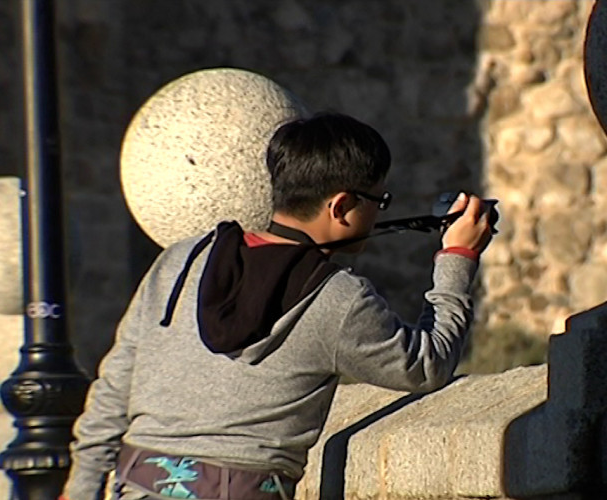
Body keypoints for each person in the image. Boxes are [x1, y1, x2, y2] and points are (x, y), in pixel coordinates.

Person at [62, 112, 495, 500]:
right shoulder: (338, 299)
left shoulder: (182, 260)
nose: (379, 213)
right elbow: (428, 365)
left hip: (137, 487)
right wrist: (458, 258)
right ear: (341, 205)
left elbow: (114, 388)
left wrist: (81, 489)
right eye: (378, 201)